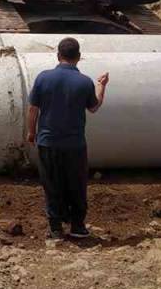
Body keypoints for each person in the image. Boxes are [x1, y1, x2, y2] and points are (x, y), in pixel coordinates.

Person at [25, 37, 109, 239]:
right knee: (76, 184)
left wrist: (31, 132)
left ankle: (55, 228)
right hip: (74, 145)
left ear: (58, 56)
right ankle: (78, 226)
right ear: (78, 57)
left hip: (48, 142)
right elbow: (94, 107)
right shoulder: (84, 82)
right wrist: (102, 86)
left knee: (52, 184)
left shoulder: (43, 78)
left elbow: (33, 109)